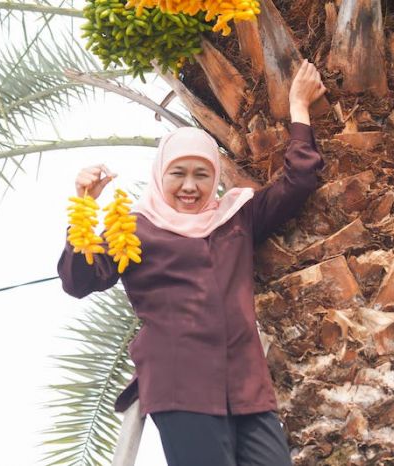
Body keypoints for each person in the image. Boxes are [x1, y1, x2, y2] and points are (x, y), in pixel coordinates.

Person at [57, 59, 326, 466]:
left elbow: (299, 181)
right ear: (159, 176)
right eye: (177, 173)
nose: (189, 185)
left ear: (215, 175)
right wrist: (84, 205)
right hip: (181, 386)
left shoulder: (236, 217)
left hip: (246, 385)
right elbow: (80, 281)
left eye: (201, 174)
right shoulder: (134, 228)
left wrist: (299, 108)